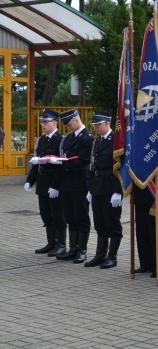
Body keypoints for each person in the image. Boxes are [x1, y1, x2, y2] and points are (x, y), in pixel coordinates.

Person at [84, 112, 124, 269]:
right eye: (94, 125)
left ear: (107, 123)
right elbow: (93, 167)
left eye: (98, 125)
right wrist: (90, 189)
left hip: (110, 187)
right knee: (100, 223)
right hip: (97, 186)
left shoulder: (116, 141)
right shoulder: (97, 142)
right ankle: (100, 255)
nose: (95, 128)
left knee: (112, 223)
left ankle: (112, 256)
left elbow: (120, 168)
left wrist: (118, 191)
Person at [25, 109, 66, 257]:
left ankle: (61, 244)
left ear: (55, 122)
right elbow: (37, 162)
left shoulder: (61, 140)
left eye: (46, 121)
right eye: (42, 121)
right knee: (45, 214)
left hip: (54, 181)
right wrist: (30, 180)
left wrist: (55, 185)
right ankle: (51, 242)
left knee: (58, 214)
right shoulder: (42, 140)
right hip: (42, 181)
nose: (43, 124)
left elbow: (62, 165)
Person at [55, 109, 94, 264]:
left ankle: (82, 250)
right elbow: (65, 155)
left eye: (69, 124)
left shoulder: (88, 138)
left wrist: (63, 162)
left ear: (77, 120)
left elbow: (84, 160)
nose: (68, 127)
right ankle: (73, 248)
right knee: (70, 216)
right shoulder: (69, 138)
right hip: (67, 182)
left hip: (80, 182)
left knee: (81, 216)